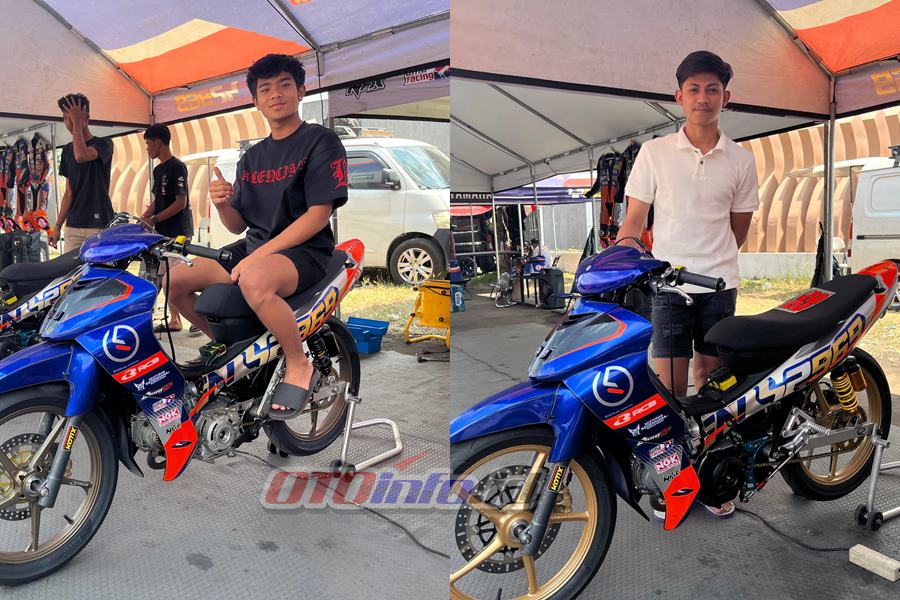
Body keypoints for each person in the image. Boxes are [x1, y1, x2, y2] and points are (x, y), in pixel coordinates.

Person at [617, 51, 760, 519]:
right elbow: (633, 221)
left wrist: (711, 259)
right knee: (669, 386)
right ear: (679, 96)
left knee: (714, 384)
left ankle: (715, 478)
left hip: (719, 286)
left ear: (726, 97)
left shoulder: (741, 160)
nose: (703, 98)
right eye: (694, 89)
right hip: (667, 287)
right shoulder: (654, 153)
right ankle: (673, 480)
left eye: (712, 89)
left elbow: (738, 230)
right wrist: (622, 259)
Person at [166, 54, 348, 419]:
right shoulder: (251, 157)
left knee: (253, 279)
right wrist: (221, 203)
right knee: (174, 280)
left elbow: (318, 215)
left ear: (301, 91)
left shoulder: (321, 141)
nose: (275, 94)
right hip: (256, 249)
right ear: (256, 100)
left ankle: (298, 363)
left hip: (306, 251)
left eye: (284, 85)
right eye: (265, 89)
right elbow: (237, 225)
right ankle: (232, 351)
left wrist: (257, 257)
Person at [140, 124, 194, 333]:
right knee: (166, 278)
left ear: (158, 142)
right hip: (162, 233)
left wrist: (153, 219)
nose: (147, 149)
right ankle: (175, 319)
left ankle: (198, 316)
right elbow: (158, 201)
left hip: (178, 232)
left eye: (148, 144)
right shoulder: (158, 169)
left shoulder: (177, 167)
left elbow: (181, 202)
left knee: (178, 278)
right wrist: (142, 219)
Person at [50, 93, 115, 251]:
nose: (69, 122)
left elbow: (81, 156)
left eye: (72, 117)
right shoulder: (67, 150)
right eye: (65, 118)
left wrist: (78, 122)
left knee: (99, 267)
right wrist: (57, 226)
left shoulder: (104, 144)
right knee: (69, 267)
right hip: (73, 226)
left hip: (99, 224)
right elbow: (68, 193)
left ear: (86, 117)